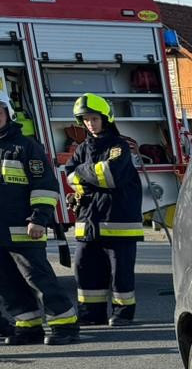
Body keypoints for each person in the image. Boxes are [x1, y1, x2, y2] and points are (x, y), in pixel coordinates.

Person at [0, 90, 77, 345]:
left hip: (23, 227)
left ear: (7, 115)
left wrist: (39, 218)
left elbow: (44, 186)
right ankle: (27, 325)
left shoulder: (26, 147)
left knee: (37, 277)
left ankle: (64, 324)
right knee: (8, 282)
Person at [64, 93, 143, 325]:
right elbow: (69, 175)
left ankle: (122, 314)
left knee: (120, 274)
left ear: (105, 119)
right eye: (86, 119)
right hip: (89, 222)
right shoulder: (82, 147)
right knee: (85, 268)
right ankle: (91, 313)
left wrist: (81, 172)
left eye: (94, 119)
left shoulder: (119, 146)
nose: (90, 123)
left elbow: (110, 175)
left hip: (117, 222)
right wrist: (84, 174)